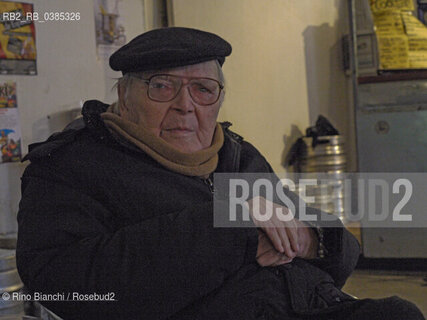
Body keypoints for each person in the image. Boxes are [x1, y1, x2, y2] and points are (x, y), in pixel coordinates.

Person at [16, 27, 424, 320]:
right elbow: (60, 283)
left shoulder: (236, 155)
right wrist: (234, 231)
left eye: (203, 89)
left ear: (217, 99)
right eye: (162, 86)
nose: (185, 105)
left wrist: (308, 238)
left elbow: (333, 244)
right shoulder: (74, 164)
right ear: (124, 96)